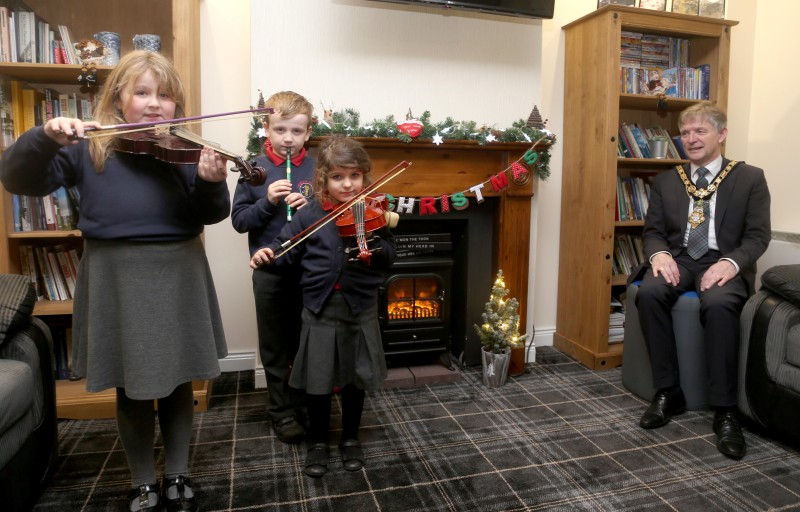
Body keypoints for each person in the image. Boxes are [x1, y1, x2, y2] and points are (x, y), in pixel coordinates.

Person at [0, 50, 230, 511]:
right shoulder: (90, 146)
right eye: (141, 92)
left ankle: (178, 473)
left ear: (177, 105)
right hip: (115, 273)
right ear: (117, 99)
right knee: (131, 383)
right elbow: (16, 177)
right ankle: (143, 478)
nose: (153, 104)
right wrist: (44, 137)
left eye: (165, 95)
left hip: (178, 268)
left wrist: (208, 182)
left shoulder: (185, 149)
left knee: (180, 378)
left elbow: (212, 213)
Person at [250, 135, 395, 477]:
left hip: (358, 307)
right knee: (317, 381)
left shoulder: (373, 212)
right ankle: (318, 441)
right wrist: (266, 254)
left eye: (355, 176)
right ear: (324, 179)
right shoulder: (311, 214)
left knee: (354, 380)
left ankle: (349, 438)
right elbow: (285, 246)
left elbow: (390, 255)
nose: (347, 184)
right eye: (338, 177)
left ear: (363, 177)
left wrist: (374, 249)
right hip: (319, 307)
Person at [633, 101, 771, 460]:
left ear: (721, 134)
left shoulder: (749, 177)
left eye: (701, 131)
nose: (691, 139)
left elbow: (757, 236)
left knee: (720, 303)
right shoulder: (667, 180)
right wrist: (659, 254)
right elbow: (653, 233)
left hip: (721, 260)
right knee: (648, 293)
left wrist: (730, 262)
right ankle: (668, 392)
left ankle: (725, 410)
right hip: (679, 258)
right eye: (686, 132)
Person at [231, 91, 315, 444]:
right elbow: (239, 221)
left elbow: (332, 215)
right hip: (270, 271)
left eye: (296, 131)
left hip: (310, 270)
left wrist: (310, 204)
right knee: (275, 347)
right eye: (280, 130)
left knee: (307, 343)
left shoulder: (318, 168)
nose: (288, 139)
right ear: (266, 128)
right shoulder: (253, 169)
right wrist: (266, 202)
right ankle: (280, 412)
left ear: (308, 133)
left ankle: (305, 405)